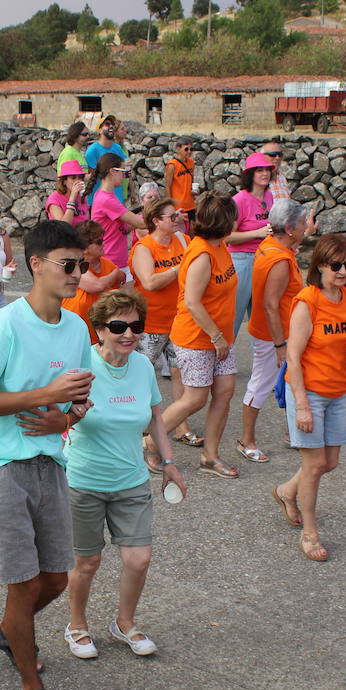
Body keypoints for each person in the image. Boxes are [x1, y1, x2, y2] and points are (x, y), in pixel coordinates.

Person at [0, 220, 93, 690]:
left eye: (82, 265)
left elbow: (80, 402)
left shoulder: (78, 328)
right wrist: (44, 396)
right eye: (69, 264)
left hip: (51, 464)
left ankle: (7, 631)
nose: (78, 274)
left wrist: (66, 418)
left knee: (56, 580)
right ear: (36, 264)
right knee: (24, 588)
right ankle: (30, 684)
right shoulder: (3, 325)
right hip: (0, 466)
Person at [63, 289, 186, 660]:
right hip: (83, 480)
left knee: (139, 558)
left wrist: (169, 462)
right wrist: (71, 414)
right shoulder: (80, 365)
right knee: (87, 562)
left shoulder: (144, 367)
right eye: (118, 326)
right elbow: (53, 412)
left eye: (136, 326)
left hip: (131, 479)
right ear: (99, 329)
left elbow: (155, 417)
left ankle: (124, 624)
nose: (129, 334)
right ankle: (77, 626)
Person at [274, 234, 346, 562]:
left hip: (338, 389)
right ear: (320, 265)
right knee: (313, 466)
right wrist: (302, 405)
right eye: (336, 265)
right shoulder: (307, 302)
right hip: (310, 392)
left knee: (329, 462)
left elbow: (343, 338)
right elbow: (293, 358)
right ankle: (310, 535)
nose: (342, 271)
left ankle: (286, 491)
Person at [161, 193, 240, 478]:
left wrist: (222, 337)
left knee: (224, 392)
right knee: (194, 398)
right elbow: (193, 302)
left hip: (220, 337)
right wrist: (217, 337)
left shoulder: (220, 246)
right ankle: (149, 442)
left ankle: (210, 456)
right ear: (226, 222)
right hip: (197, 337)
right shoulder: (202, 255)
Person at [237, 199, 306, 463]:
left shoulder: (269, 246)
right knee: (262, 383)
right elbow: (270, 305)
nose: (303, 229)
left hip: (277, 332)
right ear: (289, 229)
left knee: (290, 381)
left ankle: (293, 432)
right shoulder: (279, 260)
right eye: (301, 225)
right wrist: (280, 346)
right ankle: (247, 440)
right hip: (274, 335)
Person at [131, 198, 189, 456]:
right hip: (151, 323)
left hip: (178, 320)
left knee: (180, 373)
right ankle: (139, 423)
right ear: (156, 221)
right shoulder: (144, 247)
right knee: (142, 373)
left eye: (177, 214)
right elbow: (150, 282)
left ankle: (180, 425)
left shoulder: (182, 241)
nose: (177, 219)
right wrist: (179, 269)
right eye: (172, 216)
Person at [226, 153, 277, 326]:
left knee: (261, 321)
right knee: (234, 317)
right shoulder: (239, 200)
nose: (265, 174)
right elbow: (227, 236)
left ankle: (262, 354)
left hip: (264, 260)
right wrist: (257, 233)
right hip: (242, 262)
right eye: (259, 170)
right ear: (250, 174)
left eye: (267, 170)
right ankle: (227, 352)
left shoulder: (269, 196)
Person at [61, 220, 122, 341]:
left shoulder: (108, 265)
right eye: (99, 242)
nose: (103, 244)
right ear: (85, 248)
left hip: (101, 338)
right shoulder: (74, 267)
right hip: (74, 336)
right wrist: (116, 273)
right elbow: (97, 286)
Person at [86, 154, 146, 276]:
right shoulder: (107, 200)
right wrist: (160, 215)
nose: (124, 176)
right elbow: (140, 223)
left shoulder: (107, 196)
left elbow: (124, 227)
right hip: (112, 262)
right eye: (123, 172)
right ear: (112, 171)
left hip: (117, 262)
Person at [164, 138, 197, 225]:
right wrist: (170, 206)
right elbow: (167, 186)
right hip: (178, 206)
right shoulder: (172, 165)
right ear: (178, 148)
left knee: (192, 232)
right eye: (186, 149)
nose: (189, 151)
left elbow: (191, 181)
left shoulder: (191, 163)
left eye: (191, 149)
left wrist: (194, 191)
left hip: (191, 204)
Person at [45, 160, 88, 225]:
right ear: (64, 181)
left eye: (80, 177)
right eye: (73, 178)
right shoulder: (54, 199)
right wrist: (72, 198)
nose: (77, 181)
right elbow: (64, 226)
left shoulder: (82, 197)